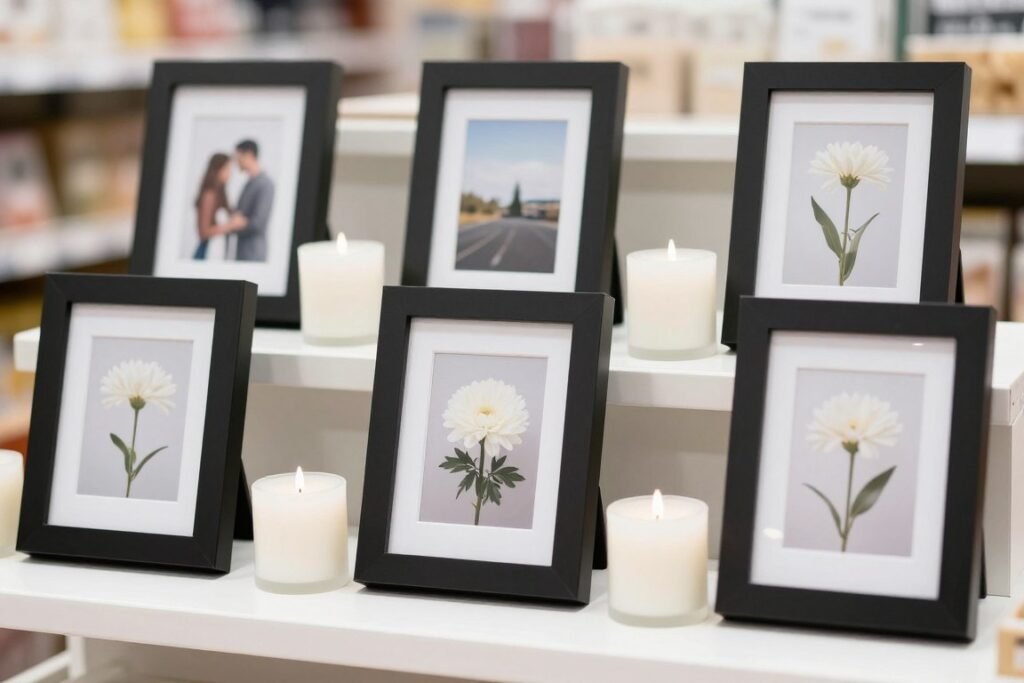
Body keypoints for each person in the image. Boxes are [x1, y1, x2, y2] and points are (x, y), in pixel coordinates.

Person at [230, 139, 275, 262]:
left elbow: (258, 222)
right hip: (242, 252)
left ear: (249, 155)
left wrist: (239, 222)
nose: (236, 161)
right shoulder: (248, 183)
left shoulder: (265, 184)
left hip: (254, 254)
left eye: (238, 157)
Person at [192, 153, 243, 260]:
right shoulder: (209, 195)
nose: (230, 173)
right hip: (206, 253)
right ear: (217, 170)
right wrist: (230, 225)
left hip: (216, 252)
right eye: (227, 169)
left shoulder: (220, 193)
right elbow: (203, 232)